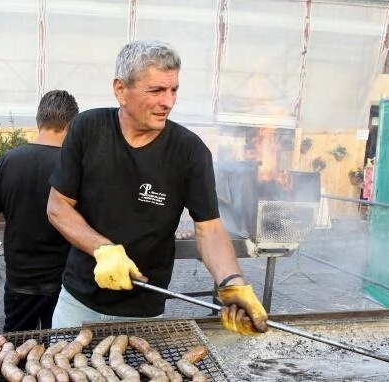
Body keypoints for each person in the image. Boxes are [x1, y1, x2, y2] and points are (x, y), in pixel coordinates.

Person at [45, 40, 268, 335]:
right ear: (121, 90)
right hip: (78, 300)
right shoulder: (88, 129)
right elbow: (58, 206)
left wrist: (231, 282)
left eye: (173, 89)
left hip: (144, 310)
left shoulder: (190, 151)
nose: (169, 102)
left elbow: (209, 229)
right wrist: (104, 249)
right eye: (156, 91)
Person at [0, 89, 79, 332]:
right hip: (65, 282)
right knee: (62, 352)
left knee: (16, 353)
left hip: (21, 282)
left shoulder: (7, 162)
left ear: (39, 121)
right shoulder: (74, 165)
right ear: (71, 124)